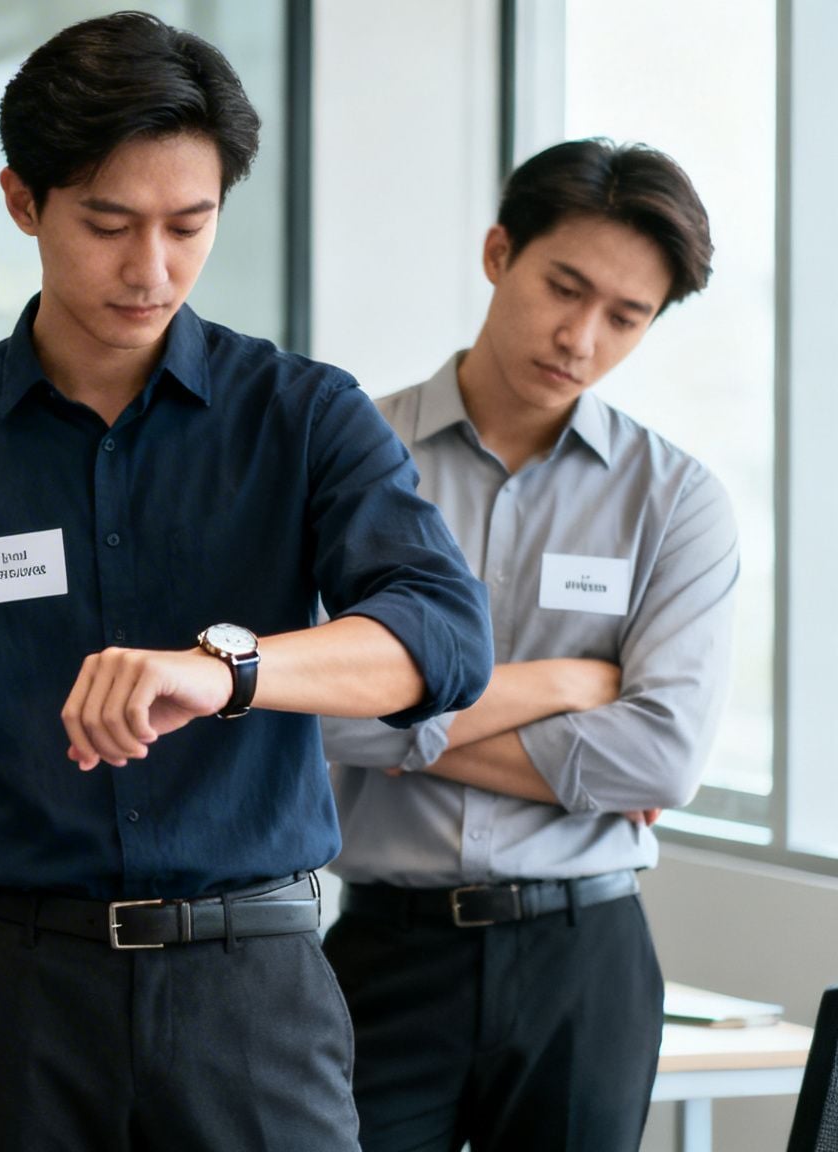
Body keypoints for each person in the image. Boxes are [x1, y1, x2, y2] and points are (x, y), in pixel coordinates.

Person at [0, 12, 493, 1152]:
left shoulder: (303, 416)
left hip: (254, 995)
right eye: (108, 225)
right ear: (21, 202)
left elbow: (440, 643)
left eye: (190, 225)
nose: (151, 269)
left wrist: (224, 672)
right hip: (19, 998)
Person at [320, 139, 735, 1152]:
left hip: (580, 956)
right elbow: (309, 712)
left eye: (623, 317)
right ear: (497, 251)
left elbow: (660, 756)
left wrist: (395, 717)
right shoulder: (347, 458)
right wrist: (562, 685)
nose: (578, 336)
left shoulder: (675, 503)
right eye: (563, 286)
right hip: (382, 950)